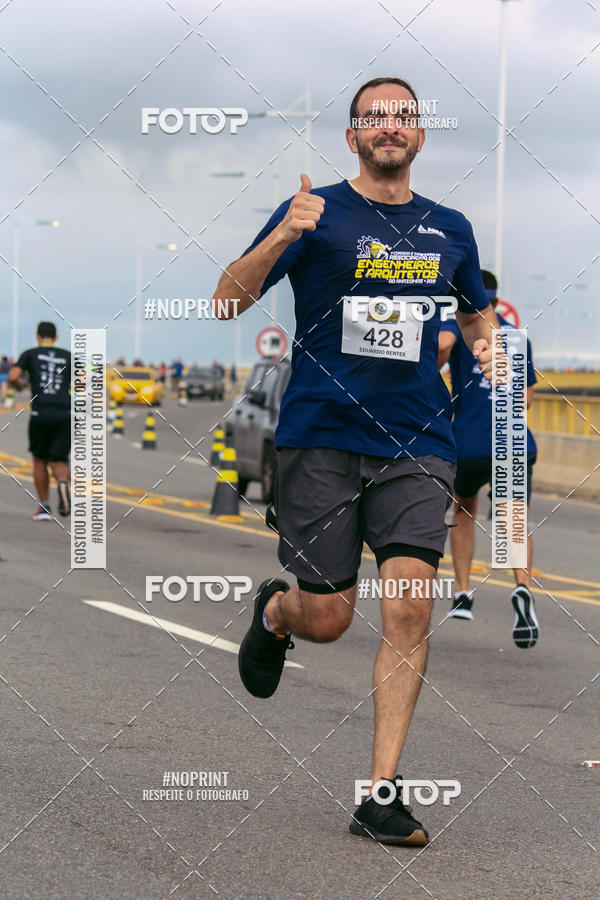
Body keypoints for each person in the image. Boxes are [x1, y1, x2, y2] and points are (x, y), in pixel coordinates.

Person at [213, 77, 501, 846]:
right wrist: (281, 235)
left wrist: (489, 346)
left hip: (419, 443)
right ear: (352, 137)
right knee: (330, 617)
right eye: (374, 118)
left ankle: (379, 793)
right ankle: (278, 614)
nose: (389, 127)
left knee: (409, 606)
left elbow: (474, 311)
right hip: (322, 437)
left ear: (420, 135)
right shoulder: (315, 213)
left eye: (403, 117)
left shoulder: (451, 229)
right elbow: (225, 299)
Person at [438, 270, 539, 647]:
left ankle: (463, 594)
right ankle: (522, 586)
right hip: (514, 442)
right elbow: (526, 398)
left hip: (470, 442)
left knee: (463, 510)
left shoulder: (458, 326)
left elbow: (442, 348)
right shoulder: (516, 336)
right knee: (513, 517)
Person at [9, 322, 71, 520]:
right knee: (59, 460)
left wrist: (20, 385)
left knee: (39, 460)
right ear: (56, 337)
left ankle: (44, 507)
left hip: (40, 413)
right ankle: (62, 481)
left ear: (37, 336)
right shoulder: (68, 356)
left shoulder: (30, 354)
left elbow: (13, 376)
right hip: (64, 413)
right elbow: (86, 378)